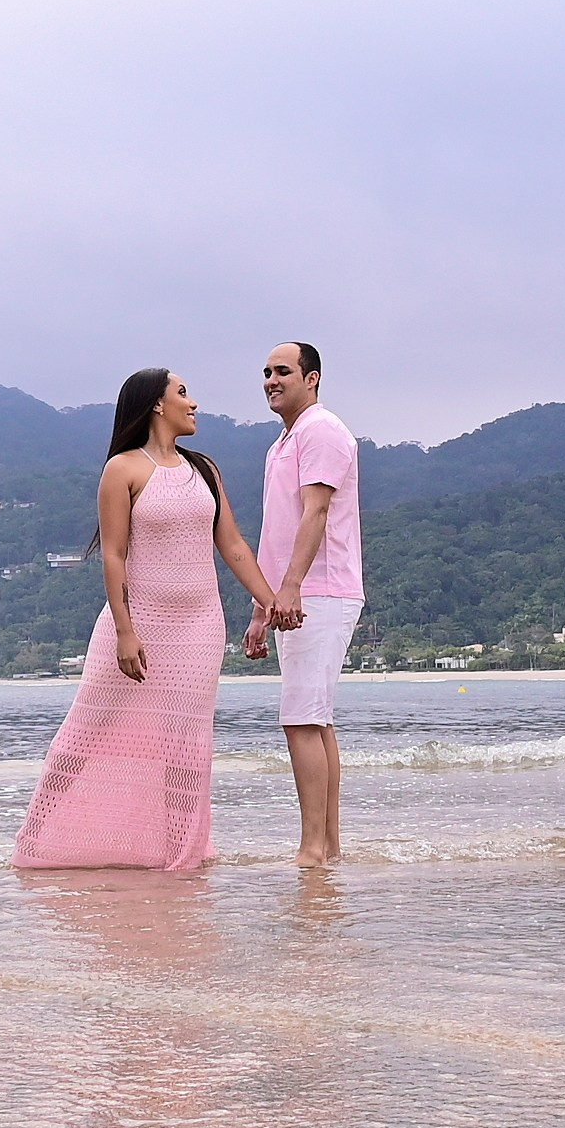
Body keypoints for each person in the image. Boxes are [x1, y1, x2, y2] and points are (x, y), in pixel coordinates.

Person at [15, 368, 278, 870]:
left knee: (185, 744)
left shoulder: (204, 470)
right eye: (183, 393)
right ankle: (37, 843)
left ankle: (179, 853)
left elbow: (233, 544)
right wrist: (125, 630)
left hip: (200, 627)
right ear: (157, 405)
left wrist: (267, 600)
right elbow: (113, 556)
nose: (194, 402)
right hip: (139, 624)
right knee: (85, 732)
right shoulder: (123, 469)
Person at [246, 341, 364, 867]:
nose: (272, 380)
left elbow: (316, 513)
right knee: (314, 719)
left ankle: (312, 849)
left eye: (283, 372)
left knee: (300, 717)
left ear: (311, 378)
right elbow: (276, 531)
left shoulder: (321, 430)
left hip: (322, 589)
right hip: (296, 592)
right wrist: (260, 607)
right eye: (267, 373)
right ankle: (329, 846)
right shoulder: (281, 444)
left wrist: (290, 589)